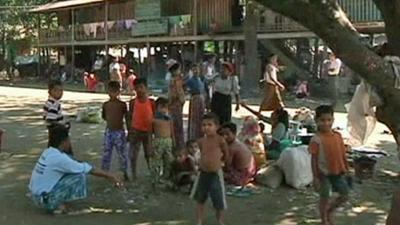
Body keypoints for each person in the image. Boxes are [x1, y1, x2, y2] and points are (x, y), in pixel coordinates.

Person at [28, 125, 122, 214]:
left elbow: (74, 162)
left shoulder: (49, 152)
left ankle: (57, 200)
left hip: (36, 195)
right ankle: (57, 206)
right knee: (79, 176)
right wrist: (111, 175)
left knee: (72, 172)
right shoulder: (59, 159)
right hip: (44, 199)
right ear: (64, 141)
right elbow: (87, 169)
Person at [309, 105, 349, 225]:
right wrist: (315, 177)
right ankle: (324, 220)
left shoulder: (338, 136)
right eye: (322, 120)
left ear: (333, 120)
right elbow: (313, 159)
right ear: (316, 121)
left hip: (338, 171)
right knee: (325, 197)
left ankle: (329, 212)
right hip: (323, 174)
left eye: (329, 120)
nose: (326, 123)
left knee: (344, 195)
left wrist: (346, 168)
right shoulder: (316, 139)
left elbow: (342, 153)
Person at [191, 113, 230, 225]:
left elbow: (226, 152)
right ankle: (199, 220)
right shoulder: (201, 141)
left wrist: (225, 163)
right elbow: (195, 152)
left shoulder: (220, 140)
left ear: (216, 127)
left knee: (219, 200)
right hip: (203, 173)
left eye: (209, 124)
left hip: (216, 174)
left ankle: (220, 221)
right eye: (204, 125)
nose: (206, 127)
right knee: (199, 199)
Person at [127, 78, 156, 180]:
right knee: (133, 154)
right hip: (135, 131)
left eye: (141, 87)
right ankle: (134, 174)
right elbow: (129, 117)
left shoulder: (152, 103)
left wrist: (154, 132)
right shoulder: (132, 103)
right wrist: (129, 130)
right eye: (136, 88)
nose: (139, 90)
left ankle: (152, 173)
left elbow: (155, 117)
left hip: (148, 132)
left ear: (146, 88)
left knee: (149, 153)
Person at [101, 81, 129, 180]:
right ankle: (104, 172)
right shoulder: (106, 104)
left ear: (118, 92)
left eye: (114, 91)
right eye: (110, 91)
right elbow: (104, 116)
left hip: (119, 132)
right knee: (106, 153)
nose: (112, 94)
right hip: (109, 131)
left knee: (122, 153)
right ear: (108, 91)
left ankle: (124, 172)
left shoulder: (122, 104)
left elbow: (127, 118)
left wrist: (128, 131)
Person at [150, 97, 174, 188]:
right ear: (157, 108)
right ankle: (154, 180)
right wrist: (150, 145)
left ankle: (164, 178)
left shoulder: (169, 119)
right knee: (156, 162)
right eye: (162, 107)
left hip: (168, 142)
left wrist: (173, 142)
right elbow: (150, 133)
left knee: (168, 161)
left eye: (166, 107)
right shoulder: (154, 120)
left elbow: (172, 132)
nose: (164, 109)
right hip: (157, 141)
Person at [168, 62, 186, 154]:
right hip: (175, 104)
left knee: (177, 124)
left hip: (177, 104)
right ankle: (177, 145)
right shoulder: (175, 80)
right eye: (178, 69)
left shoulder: (177, 79)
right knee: (176, 124)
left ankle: (177, 145)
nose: (179, 71)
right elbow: (175, 93)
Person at [186, 64, 206, 140]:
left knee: (201, 117)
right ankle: (193, 136)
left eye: (197, 69)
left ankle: (200, 134)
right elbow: (184, 86)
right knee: (194, 118)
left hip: (201, 99)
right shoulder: (190, 80)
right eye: (194, 70)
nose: (196, 71)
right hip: (195, 98)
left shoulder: (201, 79)